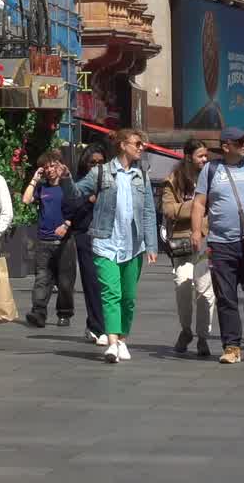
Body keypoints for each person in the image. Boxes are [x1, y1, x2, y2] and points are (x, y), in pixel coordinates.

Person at [190, 126, 244, 364]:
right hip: (221, 243)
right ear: (226, 146)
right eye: (240, 142)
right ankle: (231, 345)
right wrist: (196, 231)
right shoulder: (211, 169)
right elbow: (199, 203)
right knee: (226, 296)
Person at [73, 128, 157, 363]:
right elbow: (76, 192)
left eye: (142, 144)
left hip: (133, 245)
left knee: (128, 298)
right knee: (111, 293)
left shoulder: (141, 176)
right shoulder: (102, 172)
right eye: (137, 143)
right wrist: (64, 178)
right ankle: (111, 342)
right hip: (105, 242)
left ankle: (121, 339)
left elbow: (149, 212)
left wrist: (151, 245)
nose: (141, 148)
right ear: (122, 145)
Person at [157, 140, 213, 355]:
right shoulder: (174, 180)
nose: (205, 160)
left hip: (207, 240)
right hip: (183, 242)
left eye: (206, 156)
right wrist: (198, 205)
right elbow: (169, 210)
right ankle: (186, 330)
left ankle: (203, 337)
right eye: (200, 156)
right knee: (182, 283)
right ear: (189, 157)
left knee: (205, 290)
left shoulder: (212, 177)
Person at [21, 150, 77, 331]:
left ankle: (64, 313)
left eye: (53, 166)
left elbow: (77, 208)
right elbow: (26, 200)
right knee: (41, 279)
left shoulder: (67, 186)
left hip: (64, 242)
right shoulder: (42, 187)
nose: (50, 170)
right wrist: (34, 179)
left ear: (60, 165)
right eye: (46, 167)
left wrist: (67, 225)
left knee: (65, 282)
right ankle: (38, 313)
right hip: (44, 241)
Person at [64, 142, 110, 345]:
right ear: (85, 163)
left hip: (108, 236)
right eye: (93, 162)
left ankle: (96, 324)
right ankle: (98, 327)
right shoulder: (80, 183)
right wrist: (89, 201)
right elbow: (69, 207)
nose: (97, 166)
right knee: (92, 282)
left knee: (107, 283)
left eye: (101, 162)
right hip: (86, 235)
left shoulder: (110, 181)